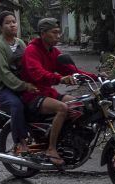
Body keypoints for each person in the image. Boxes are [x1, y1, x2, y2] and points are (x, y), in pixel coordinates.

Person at [20, 17, 97, 166]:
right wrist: (60, 79)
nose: (58, 36)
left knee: (78, 104)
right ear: (43, 33)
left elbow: (71, 70)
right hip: (33, 95)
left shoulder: (53, 51)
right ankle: (51, 148)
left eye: (58, 32)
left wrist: (96, 77)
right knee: (62, 108)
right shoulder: (32, 50)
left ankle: (69, 140)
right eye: (54, 32)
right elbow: (38, 74)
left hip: (48, 93)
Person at [0, 11, 37, 154]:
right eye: (7, 23)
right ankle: (20, 142)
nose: (12, 25)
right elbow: (4, 73)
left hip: (18, 84)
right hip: (1, 88)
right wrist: (24, 85)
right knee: (16, 104)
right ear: (1, 27)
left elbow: (29, 65)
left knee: (39, 100)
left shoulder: (20, 43)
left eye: (14, 22)